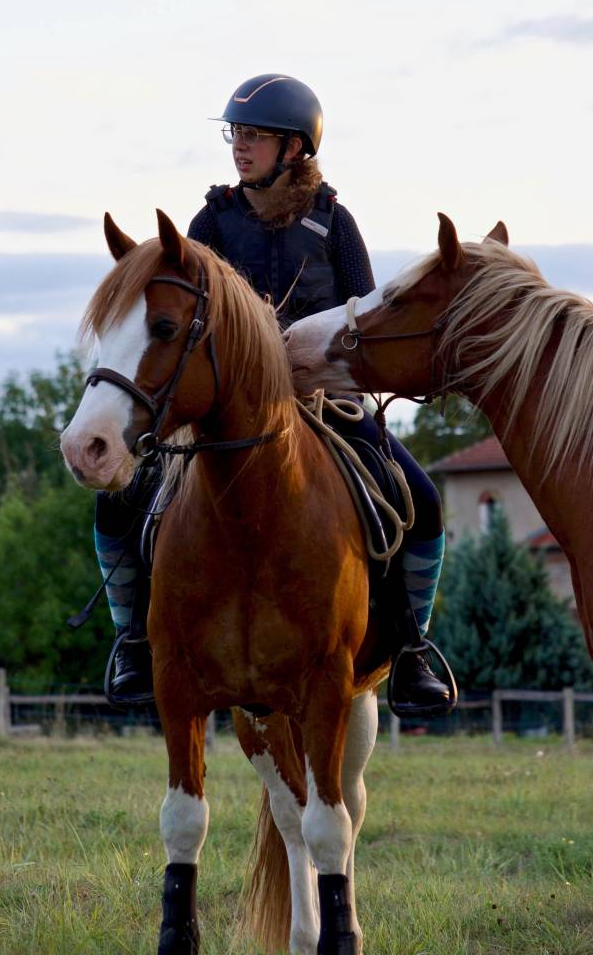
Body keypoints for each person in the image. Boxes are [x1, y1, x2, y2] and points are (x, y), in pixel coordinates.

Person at [93, 74, 450, 714]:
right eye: (236, 133)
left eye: (254, 135)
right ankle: (132, 641)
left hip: (323, 403)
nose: (239, 145)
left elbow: (360, 314)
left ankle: (411, 649)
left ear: (295, 148)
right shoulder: (210, 220)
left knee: (419, 499)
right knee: (118, 508)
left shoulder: (335, 222)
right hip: (223, 408)